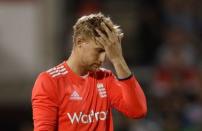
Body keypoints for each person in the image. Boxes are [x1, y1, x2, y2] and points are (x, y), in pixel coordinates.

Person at [32, 13, 147, 131]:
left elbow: (138, 111)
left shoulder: (105, 78)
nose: (102, 59)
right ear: (79, 42)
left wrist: (118, 59)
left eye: (105, 52)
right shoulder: (49, 81)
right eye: (99, 51)